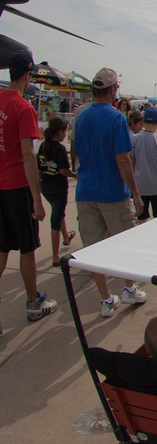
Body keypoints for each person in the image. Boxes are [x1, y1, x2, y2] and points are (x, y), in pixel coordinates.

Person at [74, 67, 147, 317]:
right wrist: (135, 194)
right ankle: (128, 288)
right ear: (113, 89)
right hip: (112, 193)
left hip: (85, 191)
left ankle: (106, 299)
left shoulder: (80, 115)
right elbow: (122, 159)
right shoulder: (116, 117)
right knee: (126, 244)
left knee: (92, 250)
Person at [0, 50, 57, 326]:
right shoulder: (23, 108)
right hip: (17, 186)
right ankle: (33, 302)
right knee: (26, 247)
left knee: (1, 247)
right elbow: (27, 155)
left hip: (0, 185)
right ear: (27, 75)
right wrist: (36, 199)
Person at [38, 116, 77, 266]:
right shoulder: (59, 148)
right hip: (58, 187)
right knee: (55, 217)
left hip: (45, 185)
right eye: (65, 131)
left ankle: (66, 236)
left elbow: (39, 168)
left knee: (58, 212)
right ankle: (55, 256)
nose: (65, 134)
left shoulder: (43, 146)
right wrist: (75, 175)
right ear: (60, 132)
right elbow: (63, 170)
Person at [132, 107, 157, 223]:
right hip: (155, 187)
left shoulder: (134, 139)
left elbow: (131, 165)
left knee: (142, 218)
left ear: (143, 121)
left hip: (139, 186)